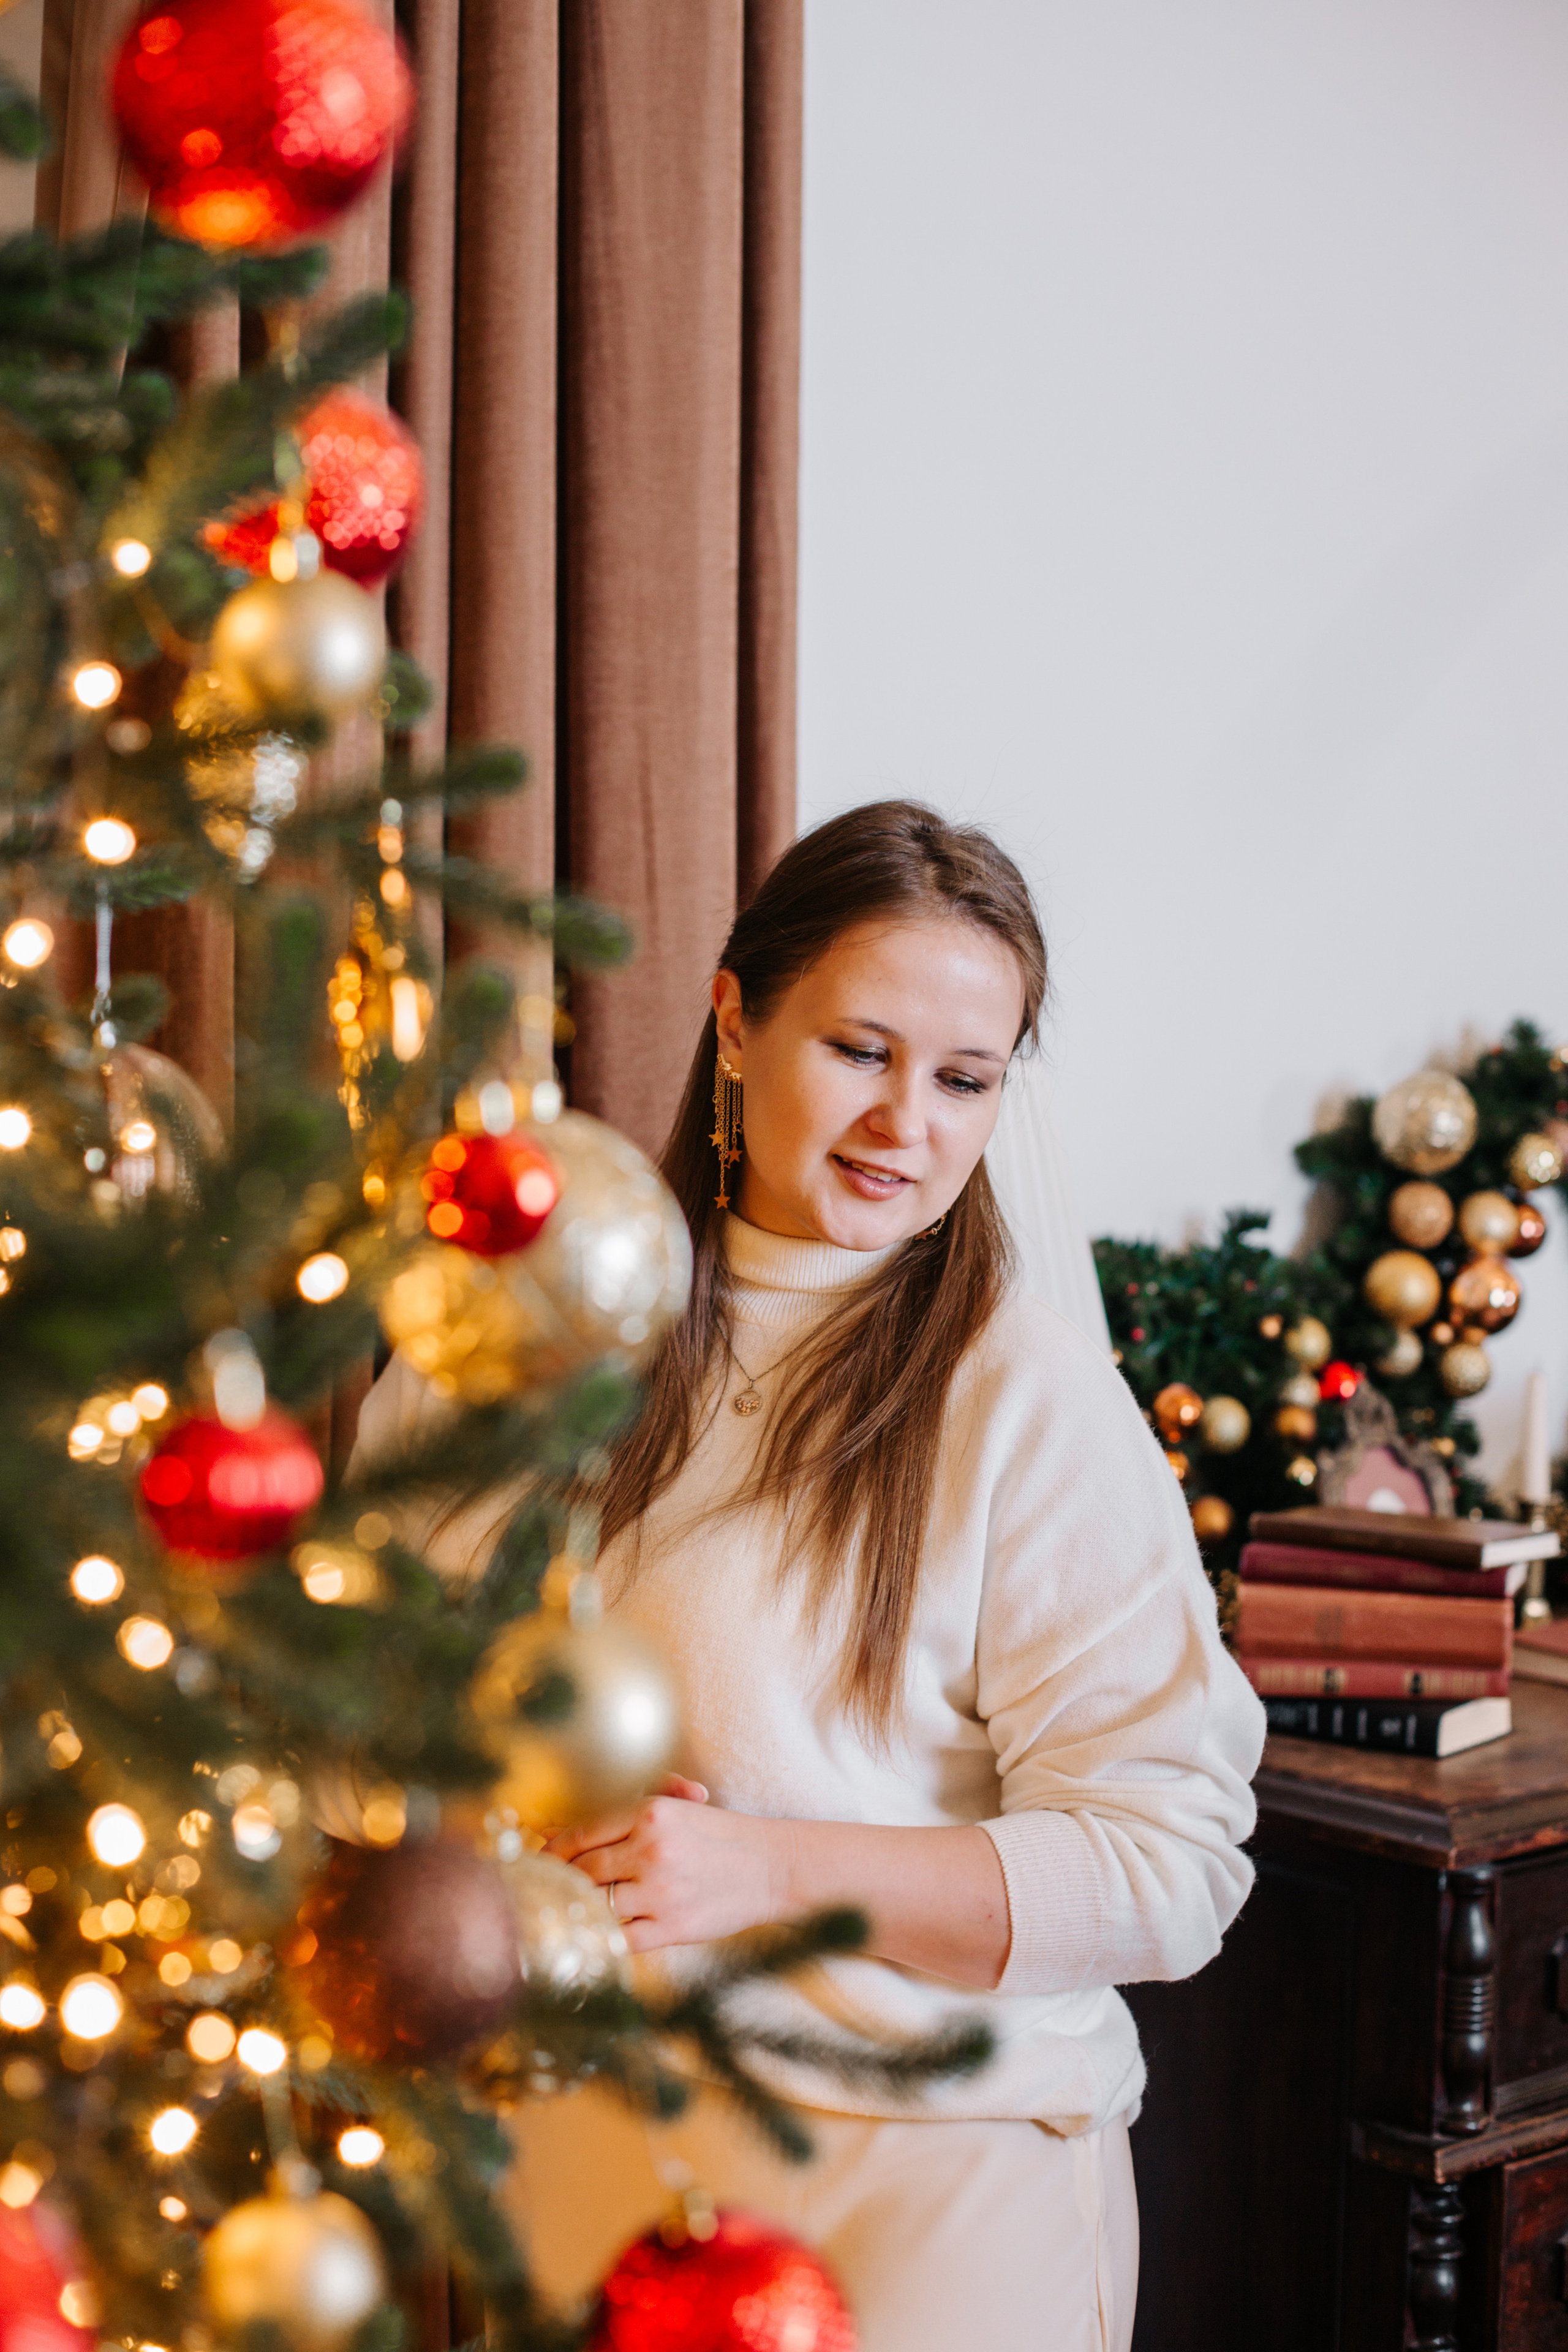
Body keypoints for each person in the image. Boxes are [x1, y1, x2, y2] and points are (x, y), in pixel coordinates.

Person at [360, 801, 1265, 2351]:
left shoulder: (1023, 1404)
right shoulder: (531, 1330)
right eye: (860, 1050)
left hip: (923, 2177)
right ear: (734, 1017)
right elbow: (352, 1703)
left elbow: (1166, 1867)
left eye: (963, 1079)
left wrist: (766, 1874)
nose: (905, 1122)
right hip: (583, 2151)